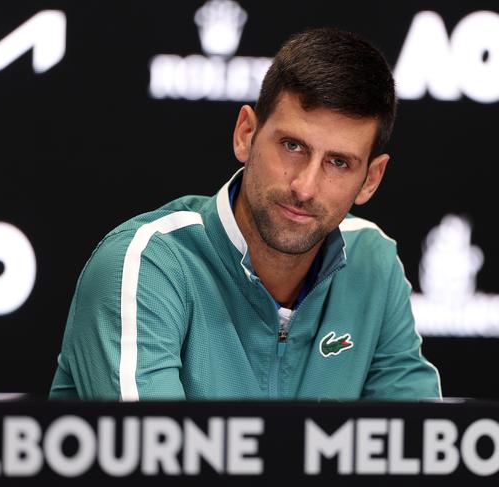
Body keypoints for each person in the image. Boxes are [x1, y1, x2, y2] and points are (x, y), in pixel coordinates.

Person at [49, 27, 441, 401]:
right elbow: (152, 461)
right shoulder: (145, 265)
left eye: (338, 163)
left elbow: (419, 451)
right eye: (292, 146)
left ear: (371, 179)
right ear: (246, 134)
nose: (304, 187)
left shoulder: (373, 262)